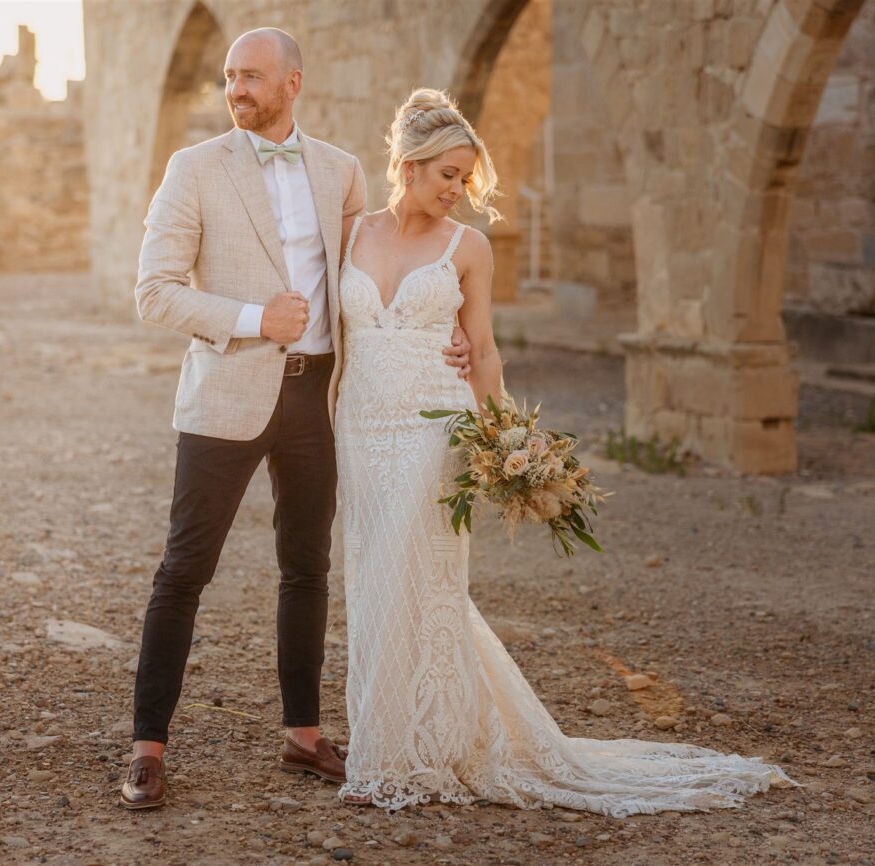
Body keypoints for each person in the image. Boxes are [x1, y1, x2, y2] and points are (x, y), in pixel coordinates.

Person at [335, 87, 793, 813]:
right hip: (358, 429)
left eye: (466, 177)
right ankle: (413, 738)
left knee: (412, 571)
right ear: (409, 165)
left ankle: (399, 763)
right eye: (448, 174)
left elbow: (482, 351)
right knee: (372, 579)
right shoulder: (350, 234)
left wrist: (512, 441)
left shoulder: (469, 248)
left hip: (433, 425)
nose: (459, 190)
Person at [120, 32, 471, 810]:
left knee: (305, 569)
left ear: (292, 83)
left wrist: (436, 327)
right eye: (229, 77)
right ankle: (147, 747)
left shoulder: (340, 171)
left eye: (251, 76)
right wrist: (252, 316)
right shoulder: (195, 168)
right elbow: (154, 291)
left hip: (319, 399)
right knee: (184, 570)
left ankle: (303, 735)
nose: (236, 88)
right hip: (225, 396)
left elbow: (368, 274)